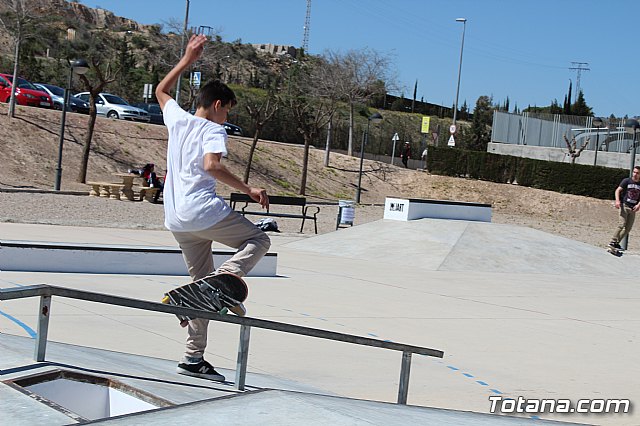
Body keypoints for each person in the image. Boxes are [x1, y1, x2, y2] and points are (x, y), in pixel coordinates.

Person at [156, 34, 271, 382]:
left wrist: (187, 59)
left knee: (199, 291)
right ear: (219, 104)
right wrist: (248, 188)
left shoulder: (177, 119)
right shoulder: (212, 129)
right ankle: (225, 279)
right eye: (227, 112)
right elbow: (211, 166)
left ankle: (193, 358)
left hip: (175, 219)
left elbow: (162, 91)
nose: (226, 119)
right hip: (201, 210)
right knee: (258, 241)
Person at [608, 165, 640, 250]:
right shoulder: (627, 181)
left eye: (637, 173)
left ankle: (616, 243)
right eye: (634, 172)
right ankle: (612, 241)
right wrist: (617, 200)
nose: (635, 174)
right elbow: (618, 190)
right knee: (621, 224)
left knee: (628, 228)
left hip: (633, 209)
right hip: (624, 206)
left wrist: (638, 205)